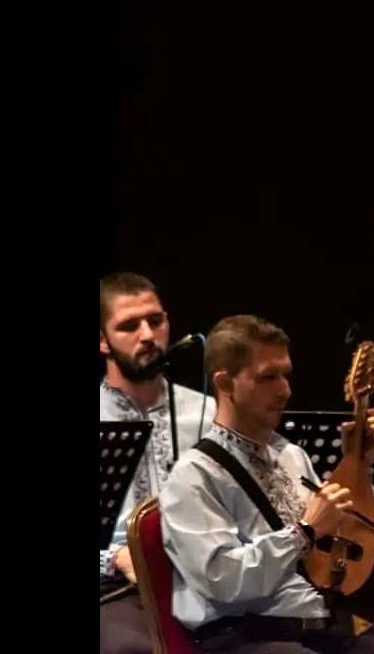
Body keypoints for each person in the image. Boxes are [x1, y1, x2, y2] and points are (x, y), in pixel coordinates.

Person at [159, 314, 374, 654]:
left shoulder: (291, 455)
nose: (284, 390)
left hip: (317, 633)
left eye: (286, 375)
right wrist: (303, 531)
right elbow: (224, 581)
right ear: (225, 383)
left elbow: (358, 545)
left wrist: (358, 468)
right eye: (268, 378)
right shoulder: (194, 476)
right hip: (244, 638)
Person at [100, 271, 215, 654]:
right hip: (117, 589)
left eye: (156, 320)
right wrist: (112, 558)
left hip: (203, 583)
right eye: (129, 326)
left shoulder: (207, 411)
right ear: (102, 340)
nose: (148, 335)